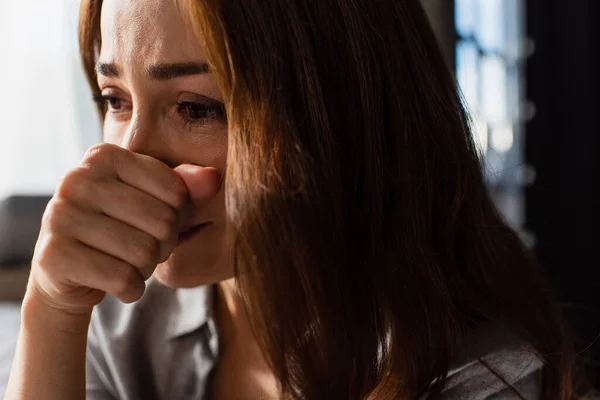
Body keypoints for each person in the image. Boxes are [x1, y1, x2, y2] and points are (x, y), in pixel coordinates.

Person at [4, 0, 584, 399]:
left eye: (198, 108)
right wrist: (51, 312)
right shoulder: (123, 316)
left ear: (336, 120)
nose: (133, 161)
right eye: (116, 98)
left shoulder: (475, 375)